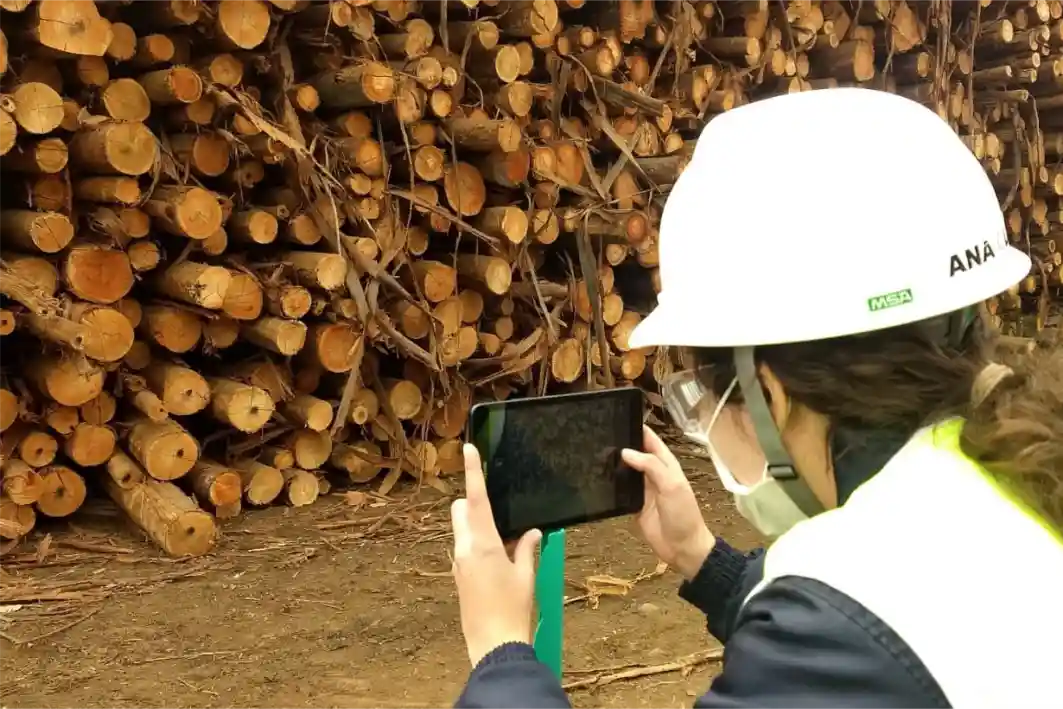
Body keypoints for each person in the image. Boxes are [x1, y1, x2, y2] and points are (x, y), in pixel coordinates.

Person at [447, 87, 1063, 708]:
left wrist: (501, 654)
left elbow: (853, 644)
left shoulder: (842, 630)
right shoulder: (1017, 467)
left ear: (769, 392)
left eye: (708, 400)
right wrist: (705, 561)